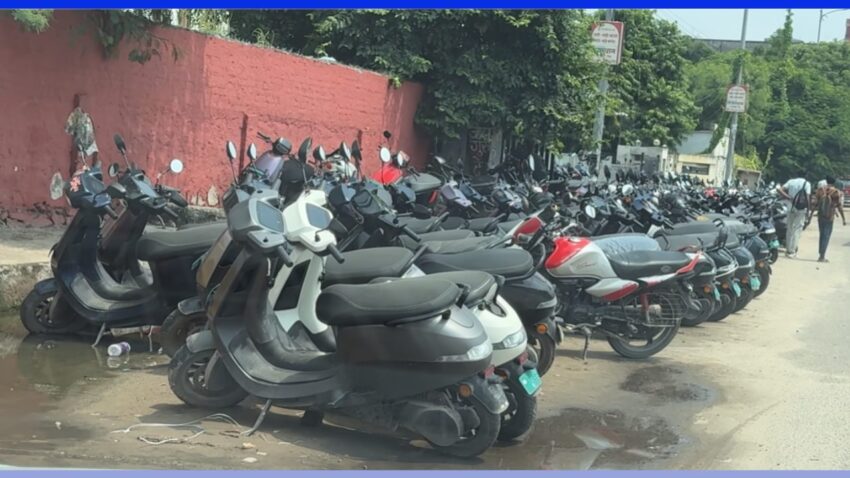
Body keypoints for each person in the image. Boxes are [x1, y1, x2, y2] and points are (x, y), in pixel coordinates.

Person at [808, 175, 846, 262]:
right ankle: (822, 256)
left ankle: (821, 253)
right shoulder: (836, 192)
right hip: (829, 217)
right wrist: (843, 219)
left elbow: (814, 205)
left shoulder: (820, 190)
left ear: (826, 181)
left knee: (822, 235)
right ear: (834, 182)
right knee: (826, 236)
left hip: (820, 216)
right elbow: (839, 207)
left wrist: (810, 216)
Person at [776, 171, 811, 258]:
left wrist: (788, 197)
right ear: (805, 176)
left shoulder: (791, 181)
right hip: (801, 209)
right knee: (797, 229)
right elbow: (807, 197)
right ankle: (792, 251)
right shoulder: (806, 183)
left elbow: (779, 189)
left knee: (789, 228)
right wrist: (808, 210)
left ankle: (788, 249)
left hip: (790, 207)